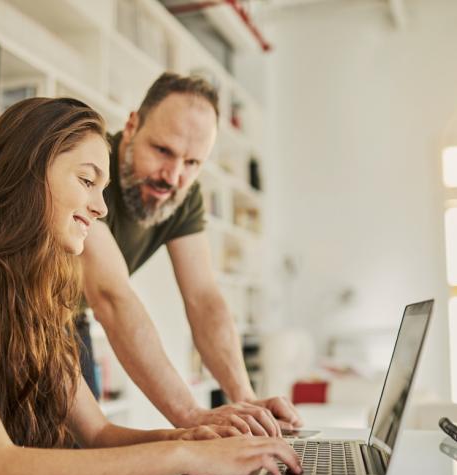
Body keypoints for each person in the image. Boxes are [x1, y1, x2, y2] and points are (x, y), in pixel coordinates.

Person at [0, 98, 301, 475]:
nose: (100, 208)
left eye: (103, 188)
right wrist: (186, 453)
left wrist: (196, 436)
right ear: (25, 172)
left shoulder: (34, 298)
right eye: (86, 180)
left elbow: (99, 435)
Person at [78, 73, 302, 436]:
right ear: (132, 125)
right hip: (5, 309)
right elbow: (111, 297)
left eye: (193, 163)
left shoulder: (185, 196)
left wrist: (244, 398)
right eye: (163, 151)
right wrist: (191, 415)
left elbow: (204, 299)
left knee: (77, 458)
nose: (173, 176)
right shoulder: (90, 165)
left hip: (69, 321)